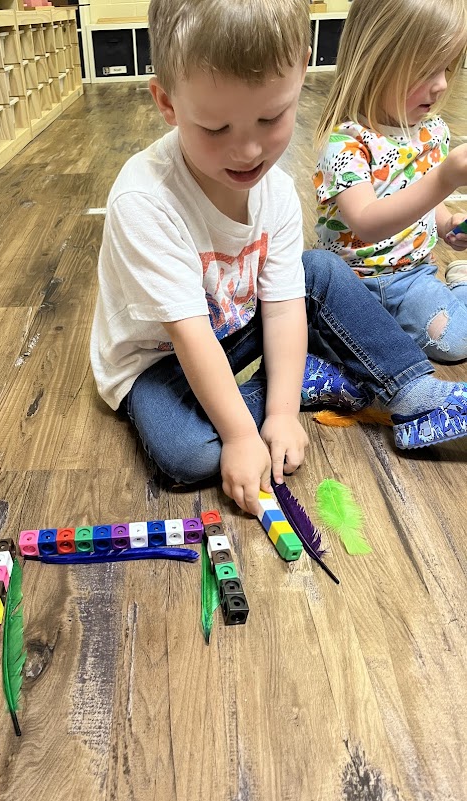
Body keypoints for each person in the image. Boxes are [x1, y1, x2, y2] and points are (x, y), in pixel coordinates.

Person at [90, 0, 467, 518]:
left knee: (324, 272)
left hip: (236, 327)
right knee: (190, 455)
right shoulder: (145, 200)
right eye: (216, 129)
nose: (247, 152)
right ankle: (292, 381)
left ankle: (411, 388)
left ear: (302, 73)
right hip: (158, 362)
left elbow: (287, 302)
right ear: (167, 102)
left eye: (271, 118)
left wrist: (285, 414)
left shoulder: (277, 191)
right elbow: (189, 333)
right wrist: (245, 435)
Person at [313, 0, 467, 362]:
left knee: (454, 341)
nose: (442, 84)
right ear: (375, 61)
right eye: (426, 70)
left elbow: (425, 198)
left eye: (446, 67)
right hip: (350, 284)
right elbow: (366, 223)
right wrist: (446, 179)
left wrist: (447, 223)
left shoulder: (433, 132)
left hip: (411, 277)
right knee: (320, 347)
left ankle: (455, 285)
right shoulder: (346, 141)